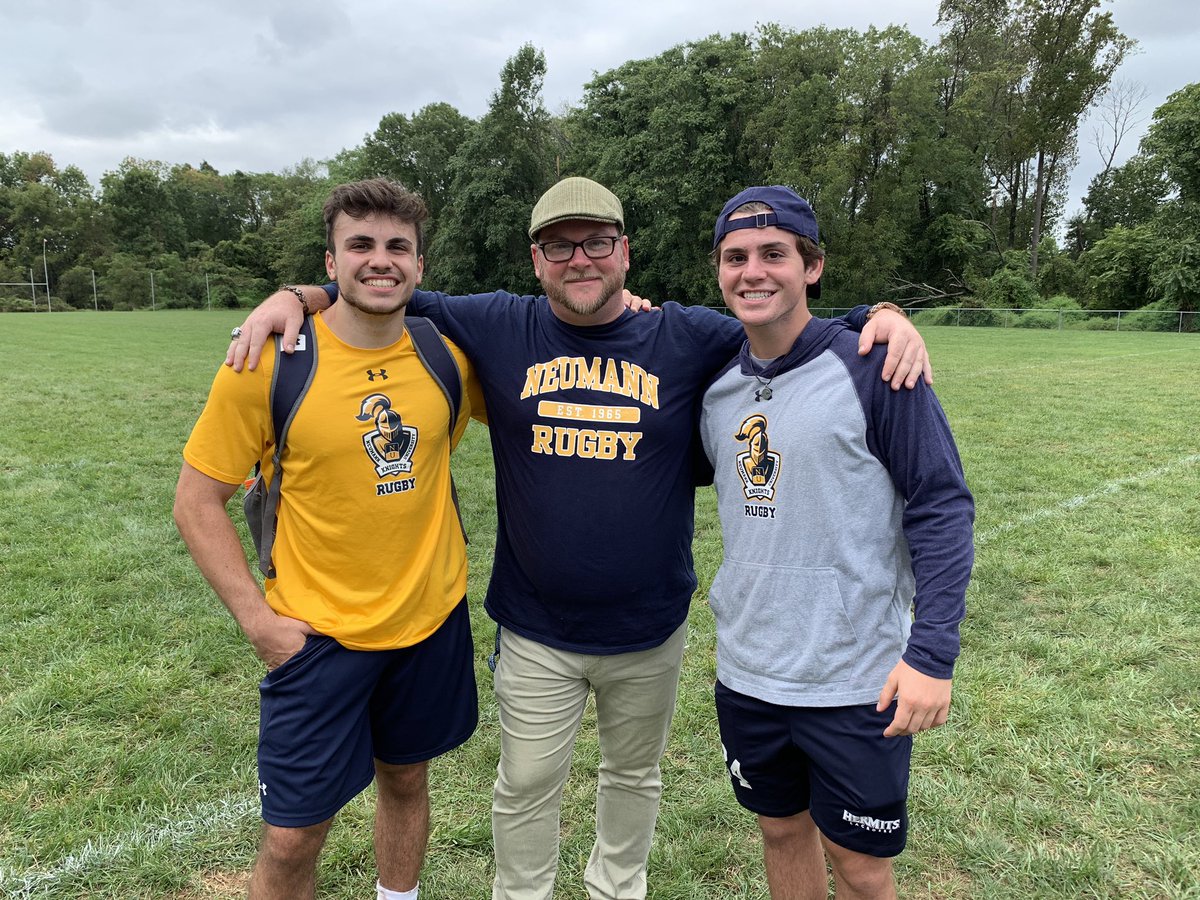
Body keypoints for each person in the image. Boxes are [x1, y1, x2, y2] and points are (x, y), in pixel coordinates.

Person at [226, 177, 931, 900]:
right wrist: (294, 295)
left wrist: (882, 315)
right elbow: (374, 285)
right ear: (536, 260)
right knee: (526, 783)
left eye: (597, 242)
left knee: (633, 777)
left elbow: (795, 331)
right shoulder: (499, 323)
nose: (580, 259)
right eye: (559, 246)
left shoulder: (686, 336)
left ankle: (616, 891)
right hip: (536, 626)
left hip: (650, 625)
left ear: (624, 252)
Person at [173, 179, 485, 900]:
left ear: (420, 265)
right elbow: (197, 501)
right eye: (361, 245)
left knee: (406, 780)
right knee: (290, 838)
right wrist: (259, 622)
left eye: (397, 246)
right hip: (315, 637)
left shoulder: (447, 358)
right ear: (331, 261)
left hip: (428, 624)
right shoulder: (270, 360)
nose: (381, 261)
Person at [699, 186, 974, 899]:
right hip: (749, 669)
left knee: (858, 865)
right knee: (781, 831)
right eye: (736, 258)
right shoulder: (716, 387)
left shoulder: (877, 368)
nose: (753, 271)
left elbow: (941, 506)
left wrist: (933, 655)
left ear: (811, 266)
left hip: (856, 677)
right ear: (719, 271)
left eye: (773, 254)